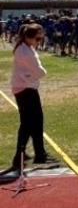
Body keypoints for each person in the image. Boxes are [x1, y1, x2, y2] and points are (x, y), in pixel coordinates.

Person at [10, 23, 58, 170]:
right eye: (37, 39)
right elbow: (40, 72)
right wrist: (37, 74)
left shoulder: (26, 48)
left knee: (32, 122)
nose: (39, 41)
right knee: (32, 122)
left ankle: (32, 154)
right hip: (25, 89)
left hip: (25, 87)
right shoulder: (25, 52)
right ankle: (28, 155)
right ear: (28, 38)